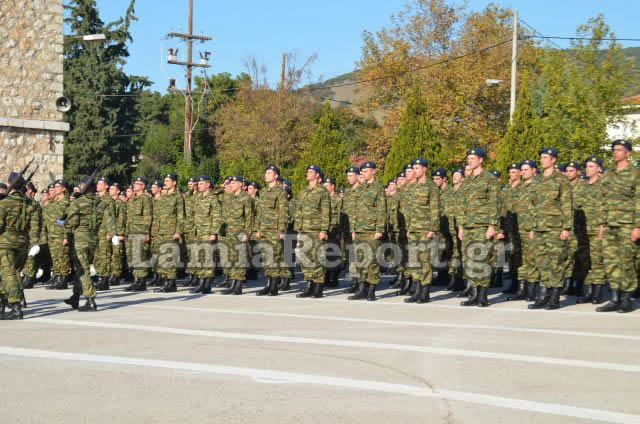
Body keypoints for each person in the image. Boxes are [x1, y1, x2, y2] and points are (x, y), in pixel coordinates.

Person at [527, 148, 572, 310]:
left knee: (556, 261)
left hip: (555, 227)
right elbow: (533, 206)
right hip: (539, 226)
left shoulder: (561, 179)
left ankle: (555, 297)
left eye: (545, 157)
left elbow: (567, 204)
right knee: (541, 261)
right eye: (541, 157)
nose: (542, 160)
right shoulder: (537, 180)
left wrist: (566, 227)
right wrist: (532, 227)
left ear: (553, 160)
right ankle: (544, 295)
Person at [597, 139, 638, 313]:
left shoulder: (635, 174)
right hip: (609, 225)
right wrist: (601, 224)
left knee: (627, 261)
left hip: (627, 225)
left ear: (628, 153)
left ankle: (627, 299)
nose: (615, 152)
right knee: (610, 261)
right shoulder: (608, 175)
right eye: (613, 150)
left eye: (619, 150)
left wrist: (638, 226)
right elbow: (602, 200)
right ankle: (615, 298)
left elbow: (638, 201)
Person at [458, 148, 499, 307]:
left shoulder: (489, 179)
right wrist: (461, 226)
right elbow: (462, 205)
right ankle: (474, 293)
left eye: (473, 158)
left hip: (482, 226)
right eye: (468, 158)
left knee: (482, 259)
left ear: (481, 160)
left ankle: (483, 295)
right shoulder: (467, 180)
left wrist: (491, 226)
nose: (469, 160)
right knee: (469, 261)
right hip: (468, 226)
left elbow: (494, 203)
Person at [64, 175, 111, 312]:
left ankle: (90, 299)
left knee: (82, 269)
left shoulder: (78, 202)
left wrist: (64, 223)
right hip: (93, 239)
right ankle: (75, 296)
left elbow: (72, 222)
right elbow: (108, 219)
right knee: (82, 267)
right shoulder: (100, 203)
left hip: (80, 239)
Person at [0, 172, 40, 320]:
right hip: (23, 242)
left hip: (6, 242)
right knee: (12, 273)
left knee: (8, 274)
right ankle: (2, 304)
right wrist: (34, 243)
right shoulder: (32, 204)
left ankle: (15, 306)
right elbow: (35, 227)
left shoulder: (4, 203)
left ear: (9, 183)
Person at [403, 158, 439, 304]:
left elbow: (435, 209)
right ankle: (416, 289)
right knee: (414, 260)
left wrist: (433, 228)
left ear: (425, 169)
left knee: (425, 261)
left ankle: (425, 292)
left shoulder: (431, 187)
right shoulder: (411, 187)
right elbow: (408, 210)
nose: (415, 171)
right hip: (413, 229)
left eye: (417, 168)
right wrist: (408, 227)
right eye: (414, 168)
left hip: (425, 229)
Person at [574, 156, 606, 304]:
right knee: (584, 261)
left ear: (599, 168)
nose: (587, 169)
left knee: (597, 260)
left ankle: (597, 293)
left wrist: (603, 227)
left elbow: (606, 208)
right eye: (586, 166)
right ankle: (588, 291)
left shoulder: (604, 185)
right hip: (582, 230)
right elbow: (575, 206)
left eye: (591, 166)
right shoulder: (582, 186)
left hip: (597, 229)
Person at [295, 165, 330, 298]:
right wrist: (298, 229)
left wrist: (324, 230)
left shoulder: (322, 191)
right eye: (307, 171)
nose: (308, 173)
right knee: (305, 258)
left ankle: (318, 287)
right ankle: (309, 284)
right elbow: (299, 211)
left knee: (317, 258)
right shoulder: (304, 191)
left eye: (311, 172)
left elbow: (326, 212)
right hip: (304, 229)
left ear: (317, 175)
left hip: (316, 230)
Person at [253, 165, 289, 296]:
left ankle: (274, 286)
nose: (266, 175)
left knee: (274, 257)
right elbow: (259, 213)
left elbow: (283, 212)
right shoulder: (262, 192)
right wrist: (257, 229)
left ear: (276, 176)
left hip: (274, 230)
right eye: (265, 172)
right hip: (263, 230)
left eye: (269, 173)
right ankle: (268, 284)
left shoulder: (281, 192)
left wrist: (281, 229)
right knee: (266, 258)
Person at [220, 176, 254, 295]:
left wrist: (247, 233)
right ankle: (233, 283)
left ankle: (238, 285)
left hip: (240, 233)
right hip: (230, 232)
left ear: (240, 184)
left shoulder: (246, 198)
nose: (231, 185)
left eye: (234, 183)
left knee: (239, 259)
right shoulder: (230, 198)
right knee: (232, 259)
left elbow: (250, 218)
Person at [189, 175, 222, 294]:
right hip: (198, 232)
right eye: (198, 184)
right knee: (199, 258)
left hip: (208, 232)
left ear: (208, 184)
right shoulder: (197, 197)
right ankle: (201, 282)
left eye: (202, 183)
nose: (199, 185)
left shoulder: (213, 199)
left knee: (208, 258)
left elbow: (217, 216)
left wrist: (214, 232)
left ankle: (207, 284)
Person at [153, 173, 186, 293]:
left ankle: (172, 283)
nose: (165, 183)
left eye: (167, 181)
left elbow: (181, 216)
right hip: (161, 231)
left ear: (174, 182)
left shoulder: (177, 197)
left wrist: (178, 231)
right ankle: (166, 281)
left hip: (171, 231)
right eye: (165, 181)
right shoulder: (164, 197)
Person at [124, 177, 153, 292]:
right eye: (134, 183)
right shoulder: (132, 199)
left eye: (138, 183)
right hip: (131, 231)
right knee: (134, 256)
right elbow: (129, 218)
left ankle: (141, 282)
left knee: (140, 256)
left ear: (143, 186)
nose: (135, 185)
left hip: (140, 231)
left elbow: (147, 216)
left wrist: (146, 232)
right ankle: (136, 280)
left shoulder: (145, 199)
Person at [323, 176, 342, 288]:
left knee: (333, 255)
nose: (325, 187)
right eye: (324, 185)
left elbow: (341, 215)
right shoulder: (324, 199)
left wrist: (340, 231)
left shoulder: (338, 199)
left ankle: (334, 279)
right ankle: (325, 278)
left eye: (327, 185)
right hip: (325, 229)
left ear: (333, 186)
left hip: (334, 230)